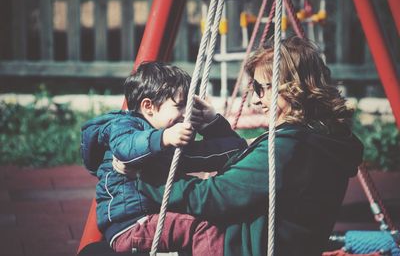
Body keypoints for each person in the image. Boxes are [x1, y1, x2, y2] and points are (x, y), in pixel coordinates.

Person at [137, 37, 364, 256]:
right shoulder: (323, 139)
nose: (256, 99)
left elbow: (212, 198)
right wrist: (213, 125)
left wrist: (143, 175)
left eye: (260, 87)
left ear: (289, 87)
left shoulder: (290, 148)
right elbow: (247, 173)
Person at [81, 62, 247, 255]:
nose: (187, 113)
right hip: (130, 225)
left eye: (190, 106)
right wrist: (163, 138)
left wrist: (212, 123)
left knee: (208, 220)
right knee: (202, 228)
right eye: (180, 106)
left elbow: (218, 154)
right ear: (148, 106)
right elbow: (125, 149)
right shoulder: (123, 126)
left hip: (154, 220)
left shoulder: (170, 143)